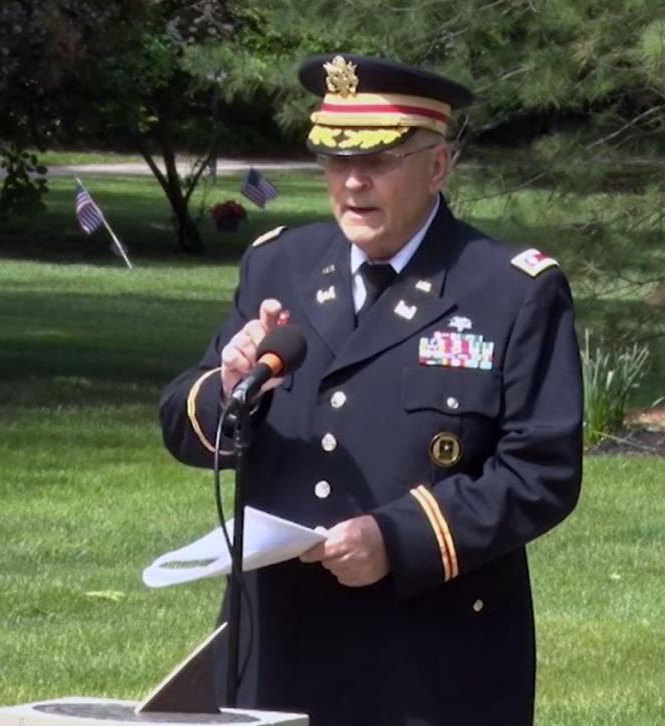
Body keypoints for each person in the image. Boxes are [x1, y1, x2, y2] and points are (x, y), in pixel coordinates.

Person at [160, 53, 583, 726]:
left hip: (430, 657)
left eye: (380, 160)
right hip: (277, 649)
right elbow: (185, 424)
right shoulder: (280, 265)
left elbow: (541, 472)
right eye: (335, 160)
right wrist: (229, 388)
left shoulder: (507, 289)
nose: (353, 183)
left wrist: (398, 538)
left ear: (437, 165)